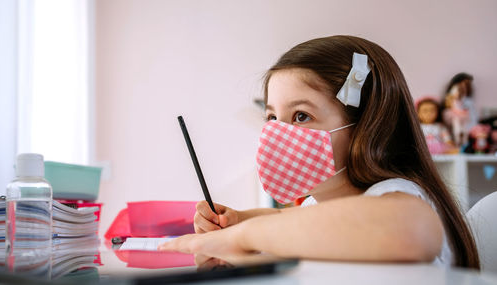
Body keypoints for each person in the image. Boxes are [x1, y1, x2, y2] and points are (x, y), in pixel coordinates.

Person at [159, 35, 480, 269]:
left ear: (365, 127)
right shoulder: (320, 205)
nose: (277, 133)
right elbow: (292, 218)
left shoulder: (395, 195)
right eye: (272, 117)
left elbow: (411, 229)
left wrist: (243, 237)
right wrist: (236, 224)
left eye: (301, 116)